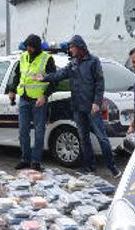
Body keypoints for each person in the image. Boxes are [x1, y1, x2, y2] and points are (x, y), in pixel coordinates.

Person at [37, 35, 121, 178]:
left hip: (92, 107)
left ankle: (113, 168)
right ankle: (89, 167)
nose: (70, 50)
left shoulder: (94, 61)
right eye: (69, 47)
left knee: (102, 138)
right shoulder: (73, 63)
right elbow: (60, 74)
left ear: (80, 47)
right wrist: (44, 77)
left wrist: (97, 102)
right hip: (77, 107)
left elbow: (99, 83)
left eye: (72, 47)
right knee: (83, 138)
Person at [7, 34, 56, 171]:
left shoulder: (47, 59)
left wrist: (44, 96)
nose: (27, 48)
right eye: (26, 46)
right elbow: (18, 75)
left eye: (30, 46)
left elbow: (54, 81)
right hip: (24, 99)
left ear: (36, 47)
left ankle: (36, 162)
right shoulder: (23, 57)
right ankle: (25, 159)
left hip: (38, 101)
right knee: (23, 131)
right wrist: (12, 90)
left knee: (39, 132)